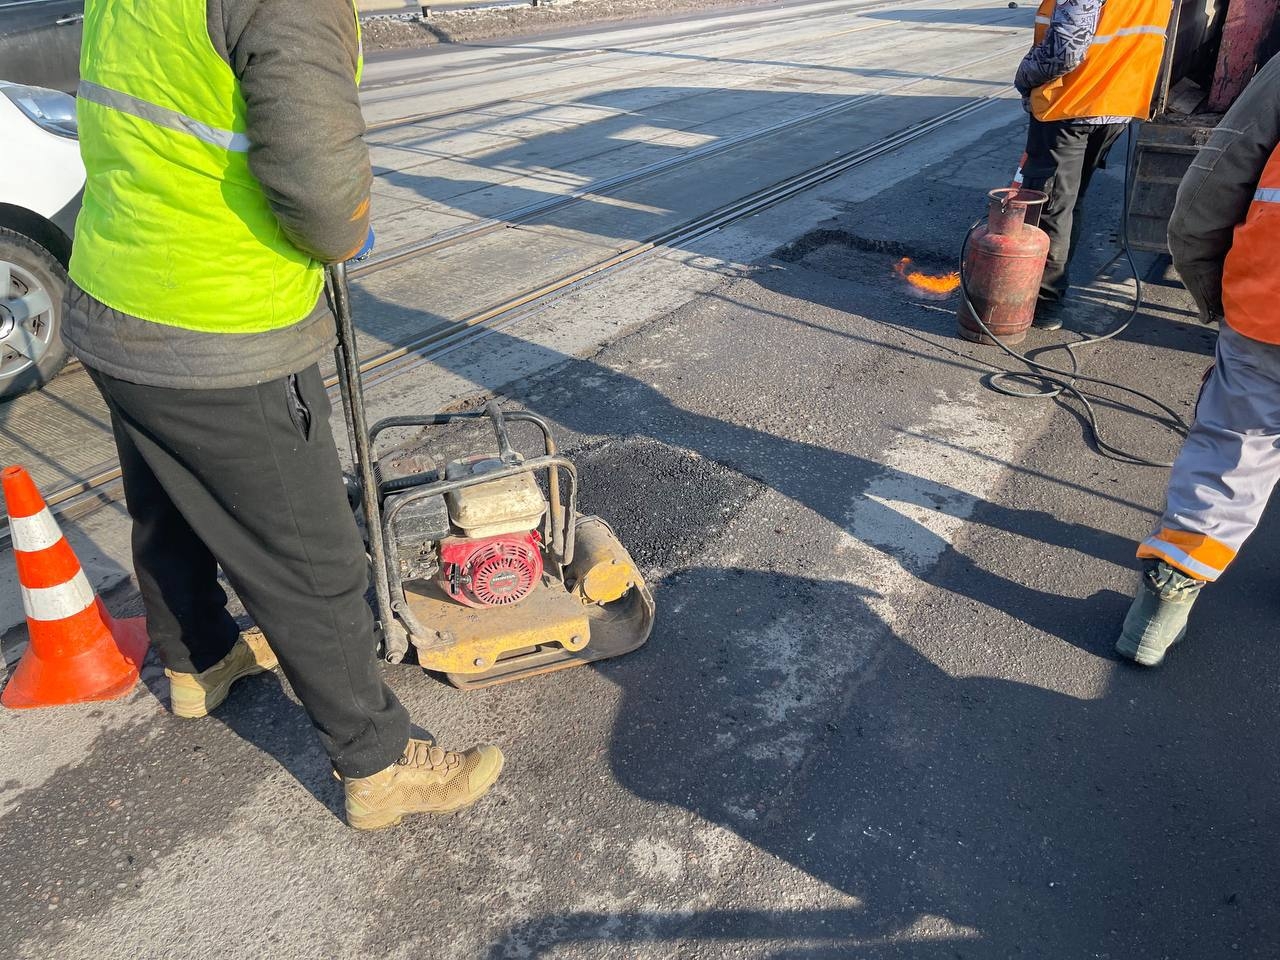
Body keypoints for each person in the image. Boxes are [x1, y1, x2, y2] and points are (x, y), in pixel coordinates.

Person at [64, 0, 503, 829]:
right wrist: (348, 229)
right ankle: (377, 763)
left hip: (115, 291)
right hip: (218, 322)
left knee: (169, 498)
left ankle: (201, 659)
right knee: (312, 557)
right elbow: (323, 198)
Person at [1117, 53, 1280, 667]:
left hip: (1271, 308)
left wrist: (1215, 294)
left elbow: (1211, 186)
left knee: (1233, 449)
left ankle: (1160, 610)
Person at [1014, 0, 1173, 330]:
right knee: (1071, 201)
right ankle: (1047, 294)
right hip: (1119, 100)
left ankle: (1041, 304)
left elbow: (1067, 49)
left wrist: (1024, 78)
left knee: (1051, 207)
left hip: (1072, 102)